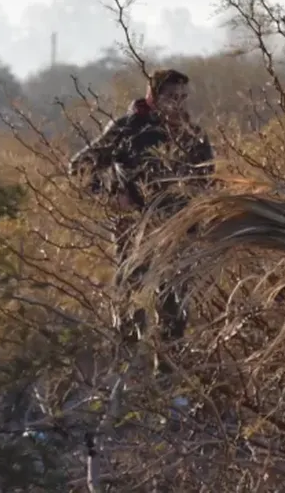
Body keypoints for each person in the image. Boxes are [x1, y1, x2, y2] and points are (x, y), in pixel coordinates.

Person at [68, 68, 214, 372]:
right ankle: (123, 378)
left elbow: (208, 181)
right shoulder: (128, 129)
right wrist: (111, 193)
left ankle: (167, 382)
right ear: (154, 96)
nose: (178, 104)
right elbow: (80, 166)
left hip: (180, 233)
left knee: (174, 310)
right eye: (171, 97)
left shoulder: (193, 136)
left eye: (183, 97)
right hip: (135, 231)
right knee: (131, 305)